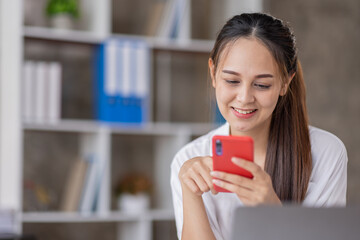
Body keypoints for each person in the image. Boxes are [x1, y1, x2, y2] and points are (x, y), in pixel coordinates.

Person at [170, 13, 347, 240]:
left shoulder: (325, 153)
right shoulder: (189, 158)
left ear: (285, 82)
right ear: (213, 73)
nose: (244, 98)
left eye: (262, 85)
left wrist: (272, 211)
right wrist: (190, 193)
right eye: (232, 81)